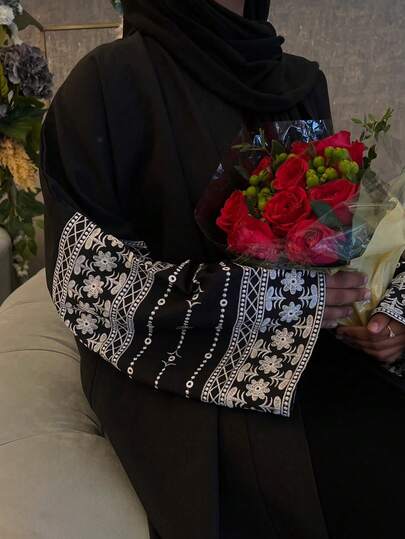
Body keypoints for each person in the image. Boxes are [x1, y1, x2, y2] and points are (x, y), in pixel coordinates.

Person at [39, 1, 405, 537]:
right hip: (176, 362)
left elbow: (338, 234)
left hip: (312, 348)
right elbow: (86, 282)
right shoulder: (108, 83)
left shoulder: (299, 83)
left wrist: (388, 312)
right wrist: (275, 300)